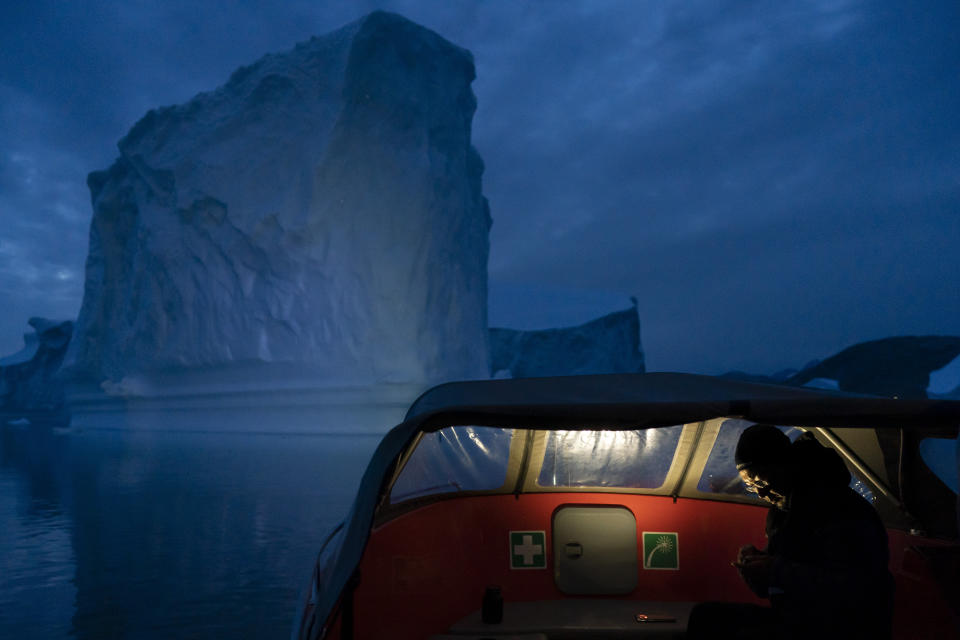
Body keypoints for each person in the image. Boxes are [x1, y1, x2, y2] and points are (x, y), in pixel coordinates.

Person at [687, 424, 894, 640]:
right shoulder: (784, 510)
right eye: (750, 485)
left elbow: (857, 588)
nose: (760, 492)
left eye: (762, 480)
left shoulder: (839, 507)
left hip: (845, 625)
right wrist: (755, 568)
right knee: (706, 617)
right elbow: (770, 587)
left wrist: (776, 570)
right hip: (799, 618)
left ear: (785, 466)